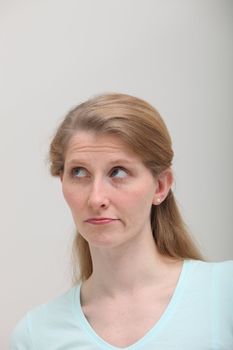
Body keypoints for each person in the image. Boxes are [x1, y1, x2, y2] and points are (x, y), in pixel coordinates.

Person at [11, 93, 233, 349]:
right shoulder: (36, 336)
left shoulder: (224, 294)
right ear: (63, 183)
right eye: (79, 172)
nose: (96, 199)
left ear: (160, 186)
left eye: (118, 172)